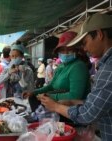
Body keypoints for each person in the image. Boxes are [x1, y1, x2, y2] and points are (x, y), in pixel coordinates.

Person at [38, 13, 112, 141]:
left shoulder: (107, 68)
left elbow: (87, 114)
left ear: (99, 34)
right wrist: (73, 102)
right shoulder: (62, 67)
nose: (84, 48)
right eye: (62, 50)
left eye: (85, 42)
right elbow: (99, 102)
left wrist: (55, 105)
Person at [23, 31, 91, 113]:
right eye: (62, 50)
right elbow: (51, 86)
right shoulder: (61, 66)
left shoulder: (78, 66)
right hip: (60, 106)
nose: (65, 53)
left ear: (76, 50)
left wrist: (48, 96)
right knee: (32, 98)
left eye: (69, 49)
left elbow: (74, 96)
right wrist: (34, 92)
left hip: (73, 111)